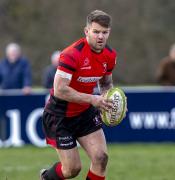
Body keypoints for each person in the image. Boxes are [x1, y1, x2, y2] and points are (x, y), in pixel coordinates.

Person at [40, 10, 117, 180]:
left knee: (101, 158)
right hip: (60, 115)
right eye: (96, 31)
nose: (100, 37)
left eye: (105, 32)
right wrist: (93, 99)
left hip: (84, 113)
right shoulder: (71, 54)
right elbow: (60, 89)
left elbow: (105, 83)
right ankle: (46, 178)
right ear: (86, 31)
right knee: (72, 169)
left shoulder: (110, 55)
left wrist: (108, 100)